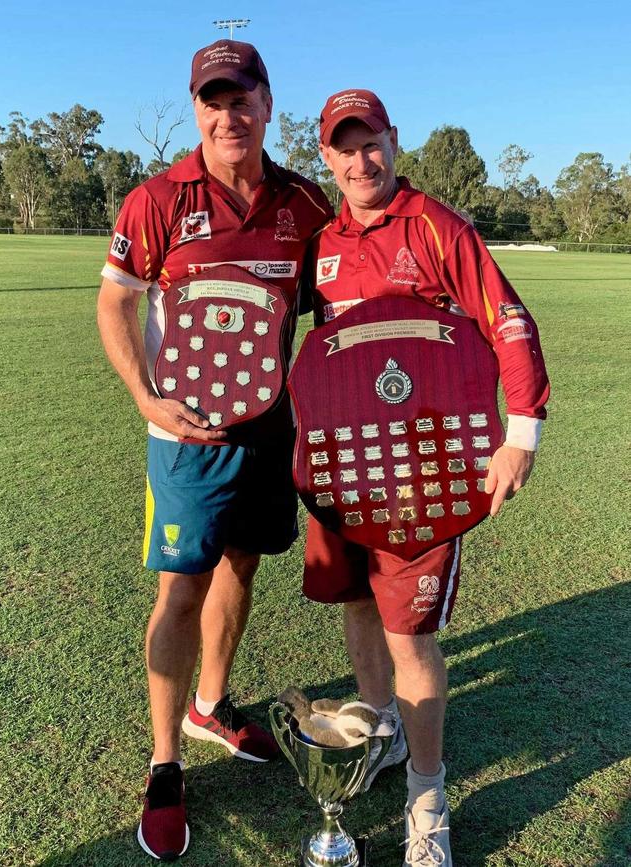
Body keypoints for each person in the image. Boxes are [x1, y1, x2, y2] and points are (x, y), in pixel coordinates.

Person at [302, 89, 550, 866]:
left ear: (393, 142)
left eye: (369, 142)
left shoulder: (437, 227)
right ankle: (378, 730)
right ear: (327, 158)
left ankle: (428, 791)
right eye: (344, 147)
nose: (359, 160)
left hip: (425, 472)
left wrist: (522, 434)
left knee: (411, 634)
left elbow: (508, 319)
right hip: (344, 473)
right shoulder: (325, 242)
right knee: (354, 603)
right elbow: (311, 358)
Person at [97, 40, 332, 860]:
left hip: (273, 435)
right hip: (187, 438)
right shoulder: (157, 199)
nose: (227, 115)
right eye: (212, 100)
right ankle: (166, 765)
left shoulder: (304, 204)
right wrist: (144, 396)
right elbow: (113, 304)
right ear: (196, 108)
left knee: (243, 564)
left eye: (242, 98)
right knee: (181, 587)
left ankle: (211, 704)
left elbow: (335, 303)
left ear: (269, 105)